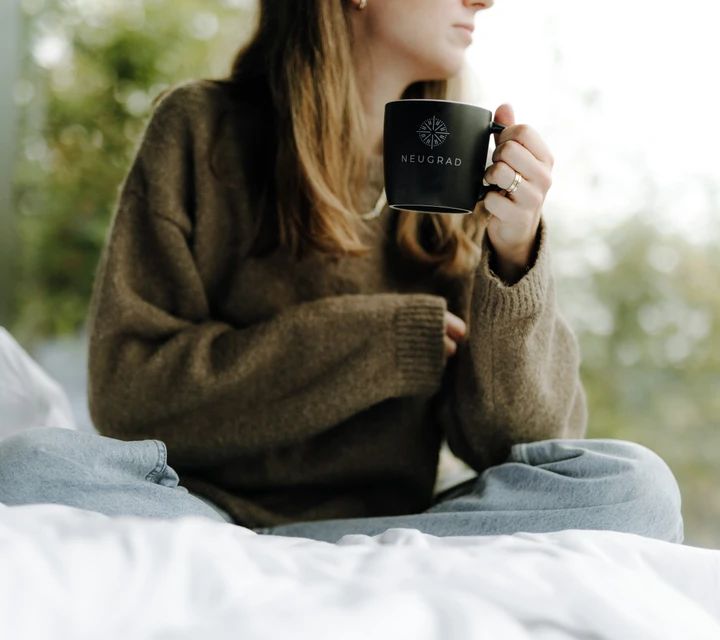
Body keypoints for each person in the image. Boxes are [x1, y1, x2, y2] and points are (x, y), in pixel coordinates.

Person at [0, 0, 684, 545]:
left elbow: (522, 444)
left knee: (634, 486)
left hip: (392, 529)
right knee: (33, 468)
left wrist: (514, 254)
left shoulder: (456, 168)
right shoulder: (201, 131)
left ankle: (319, 567)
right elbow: (128, 398)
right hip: (198, 514)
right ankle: (269, 563)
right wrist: (380, 342)